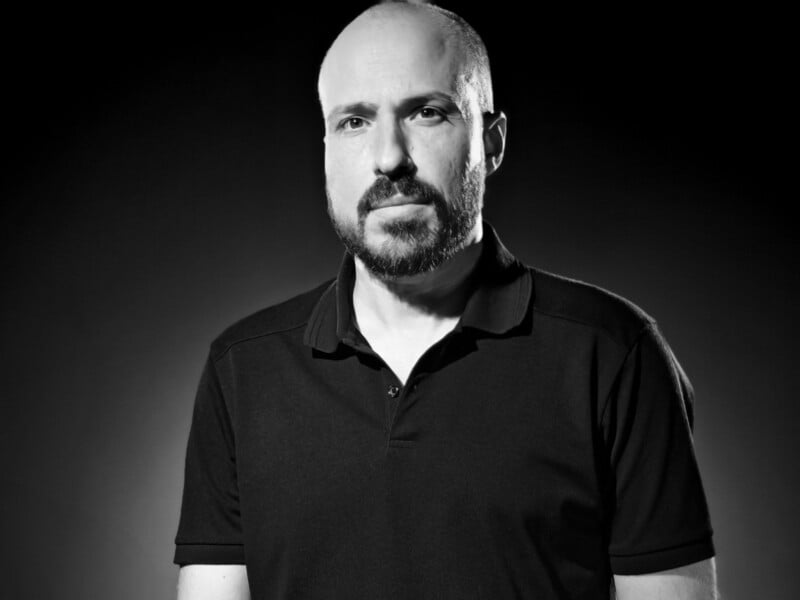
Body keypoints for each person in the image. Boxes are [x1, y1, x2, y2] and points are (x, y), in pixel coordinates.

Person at [173, 2, 717, 598]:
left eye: (427, 113)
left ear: (492, 140)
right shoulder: (241, 369)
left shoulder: (613, 354)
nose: (389, 157)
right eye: (354, 121)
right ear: (326, 148)